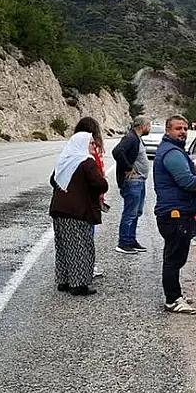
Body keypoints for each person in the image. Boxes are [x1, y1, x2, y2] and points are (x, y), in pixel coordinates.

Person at [153, 114, 196, 314]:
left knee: (175, 256)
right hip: (175, 214)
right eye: (177, 128)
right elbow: (187, 181)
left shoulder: (173, 150)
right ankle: (172, 299)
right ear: (167, 130)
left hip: (176, 212)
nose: (182, 132)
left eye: (184, 128)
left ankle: (175, 294)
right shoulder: (172, 153)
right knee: (174, 257)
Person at [49, 131, 109, 296]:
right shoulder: (86, 162)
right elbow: (101, 184)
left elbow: (53, 180)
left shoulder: (65, 159)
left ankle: (64, 280)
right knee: (80, 247)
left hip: (59, 209)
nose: (94, 146)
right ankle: (79, 284)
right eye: (90, 143)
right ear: (82, 144)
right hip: (77, 212)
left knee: (63, 247)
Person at [111, 115, 151, 254]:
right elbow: (117, 151)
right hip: (133, 182)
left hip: (140, 181)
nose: (149, 128)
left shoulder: (137, 138)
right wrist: (128, 167)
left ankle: (131, 240)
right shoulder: (130, 138)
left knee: (136, 212)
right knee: (130, 213)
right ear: (142, 126)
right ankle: (123, 243)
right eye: (148, 125)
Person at [74, 117, 108, 278]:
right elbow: (98, 175)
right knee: (87, 235)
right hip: (89, 198)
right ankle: (86, 266)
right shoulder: (91, 152)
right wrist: (101, 191)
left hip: (78, 197)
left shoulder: (73, 148)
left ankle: (75, 266)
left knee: (77, 236)